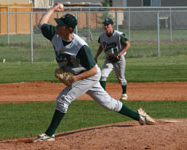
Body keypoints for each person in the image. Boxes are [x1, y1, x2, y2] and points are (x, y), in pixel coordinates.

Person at [35, 4, 155, 142]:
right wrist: (54, 8)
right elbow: (41, 23)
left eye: (60, 25)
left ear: (68, 29)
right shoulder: (54, 34)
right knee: (108, 103)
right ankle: (140, 116)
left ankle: (49, 134)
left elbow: (93, 70)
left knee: (63, 99)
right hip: (81, 73)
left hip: (89, 75)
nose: (57, 26)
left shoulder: (80, 47)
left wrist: (74, 79)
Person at [94, 18, 130, 100]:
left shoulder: (118, 35)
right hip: (109, 58)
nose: (105, 27)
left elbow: (127, 44)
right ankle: (103, 95)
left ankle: (124, 93)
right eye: (104, 25)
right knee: (102, 75)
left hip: (119, 59)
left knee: (121, 78)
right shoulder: (102, 35)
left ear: (112, 26)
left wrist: (120, 54)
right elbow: (101, 46)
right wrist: (96, 56)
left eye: (107, 25)